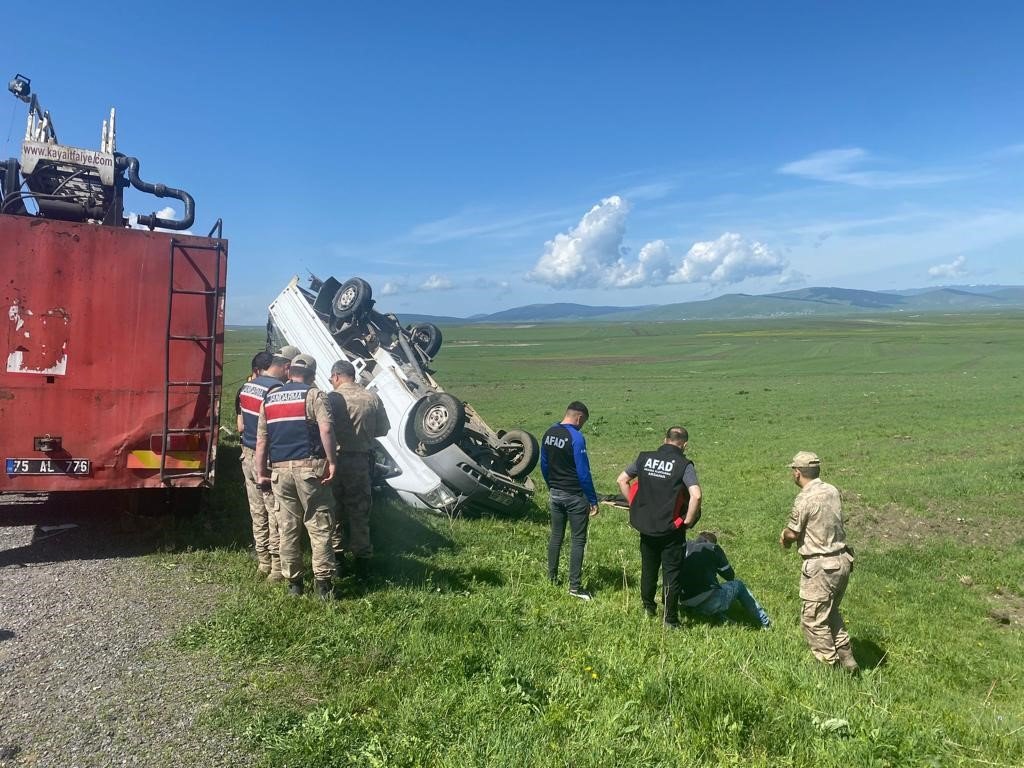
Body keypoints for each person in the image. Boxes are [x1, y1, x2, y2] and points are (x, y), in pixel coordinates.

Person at [255, 354, 338, 600]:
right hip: (310, 469)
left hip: (280, 472)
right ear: (312, 374)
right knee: (319, 524)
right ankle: (323, 585)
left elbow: (261, 441)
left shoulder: (270, 398)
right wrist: (332, 461)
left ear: (289, 372)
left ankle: (294, 583)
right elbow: (326, 429)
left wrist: (261, 473)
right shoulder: (314, 395)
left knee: (287, 528)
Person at [780, 451, 859, 673]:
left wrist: (784, 536)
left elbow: (793, 533)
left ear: (797, 473)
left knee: (813, 619)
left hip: (821, 567)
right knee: (830, 612)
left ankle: (829, 668)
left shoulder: (804, 498)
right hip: (842, 560)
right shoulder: (832, 490)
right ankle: (847, 658)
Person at [616, 426, 701, 628]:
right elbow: (696, 495)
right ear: (685, 445)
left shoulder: (644, 458)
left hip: (646, 526)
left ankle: (648, 607)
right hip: (671, 529)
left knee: (649, 568)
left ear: (664, 440)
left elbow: (622, 480)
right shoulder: (684, 464)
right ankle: (670, 619)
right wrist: (688, 521)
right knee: (671, 573)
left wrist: (635, 506)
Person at [327, 359, 391, 579]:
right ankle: (362, 564)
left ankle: (338, 561)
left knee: (333, 510)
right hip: (361, 462)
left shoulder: (331, 398)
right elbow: (383, 429)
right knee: (360, 511)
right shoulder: (371, 397)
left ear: (336, 376)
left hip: (334, 462)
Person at [235, 348, 294, 581]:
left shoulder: (248, 387)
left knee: (256, 510)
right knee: (274, 513)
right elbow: (278, 428)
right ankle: (277, 567)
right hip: (266, 459)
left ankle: (263, 561)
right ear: (286, 367)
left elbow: (242, 425)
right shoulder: (275, 390)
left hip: (247, 455)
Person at [541, 401, 599, 600]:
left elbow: (544, 464)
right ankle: (575, 587)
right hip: (575, 496)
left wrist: (551, 486)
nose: (582, 426)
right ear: (579, 418)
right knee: (578, 540)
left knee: (556, 536)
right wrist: (592, 499)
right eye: (583, 422)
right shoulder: (576, 437)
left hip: (555, 493)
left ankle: (551, 578)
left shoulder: (549, 432)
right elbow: (583, 473)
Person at [679, 531, 771, 628]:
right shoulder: (713, 548)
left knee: (710, 589)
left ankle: (721, 619)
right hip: (709, 602)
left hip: (685, 601)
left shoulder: (685, 546)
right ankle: (765, 622)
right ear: (712, 542)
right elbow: (729, 576)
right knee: (739, 585)